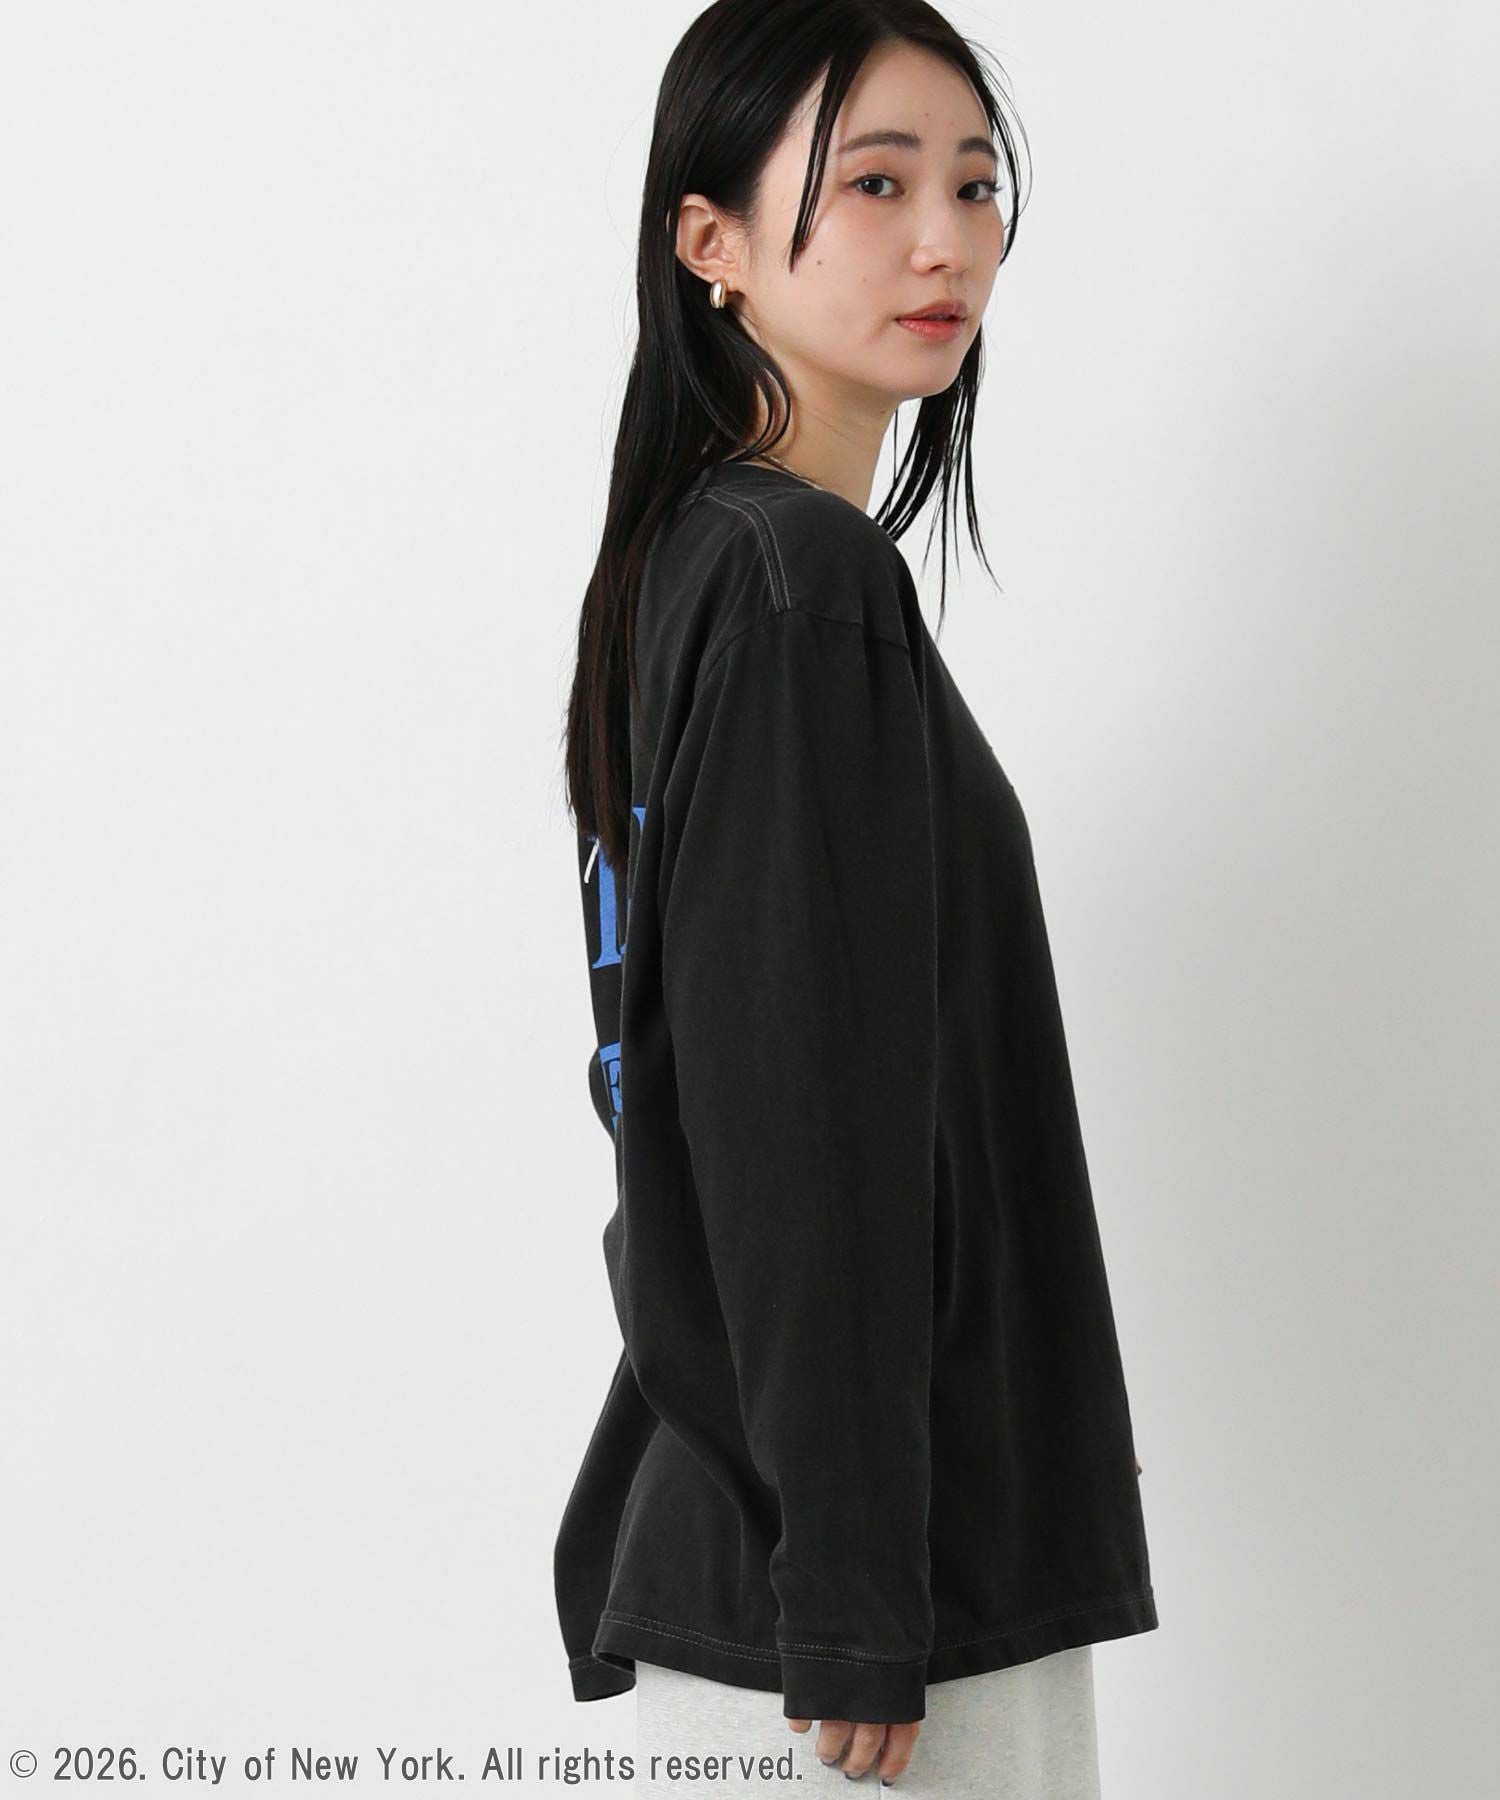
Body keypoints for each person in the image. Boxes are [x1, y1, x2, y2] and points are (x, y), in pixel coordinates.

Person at [554, 1, 1158, 1790]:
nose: (944, 240)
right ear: (712, 240)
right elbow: (799, 1120)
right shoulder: (798, 586)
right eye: (876, 184)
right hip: (867, 1626)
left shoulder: (692, 567)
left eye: (975, 185)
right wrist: (852, 1594)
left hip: (779, 1564)